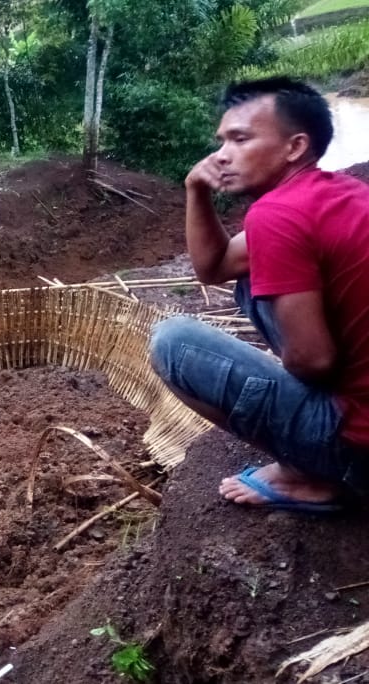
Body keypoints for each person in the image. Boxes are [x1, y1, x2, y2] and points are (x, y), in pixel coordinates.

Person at [149, 77, 369, 512]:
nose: (221, 154)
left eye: (241, 138)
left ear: (295, 147)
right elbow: (214, 268)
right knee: (252, 280)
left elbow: (315, 360)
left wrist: (276, 377)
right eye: (222, 141)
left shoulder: (277, 215)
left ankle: (307, 475)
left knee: (171, 344)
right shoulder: (341, 192)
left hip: (359, 450)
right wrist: (196, 190)